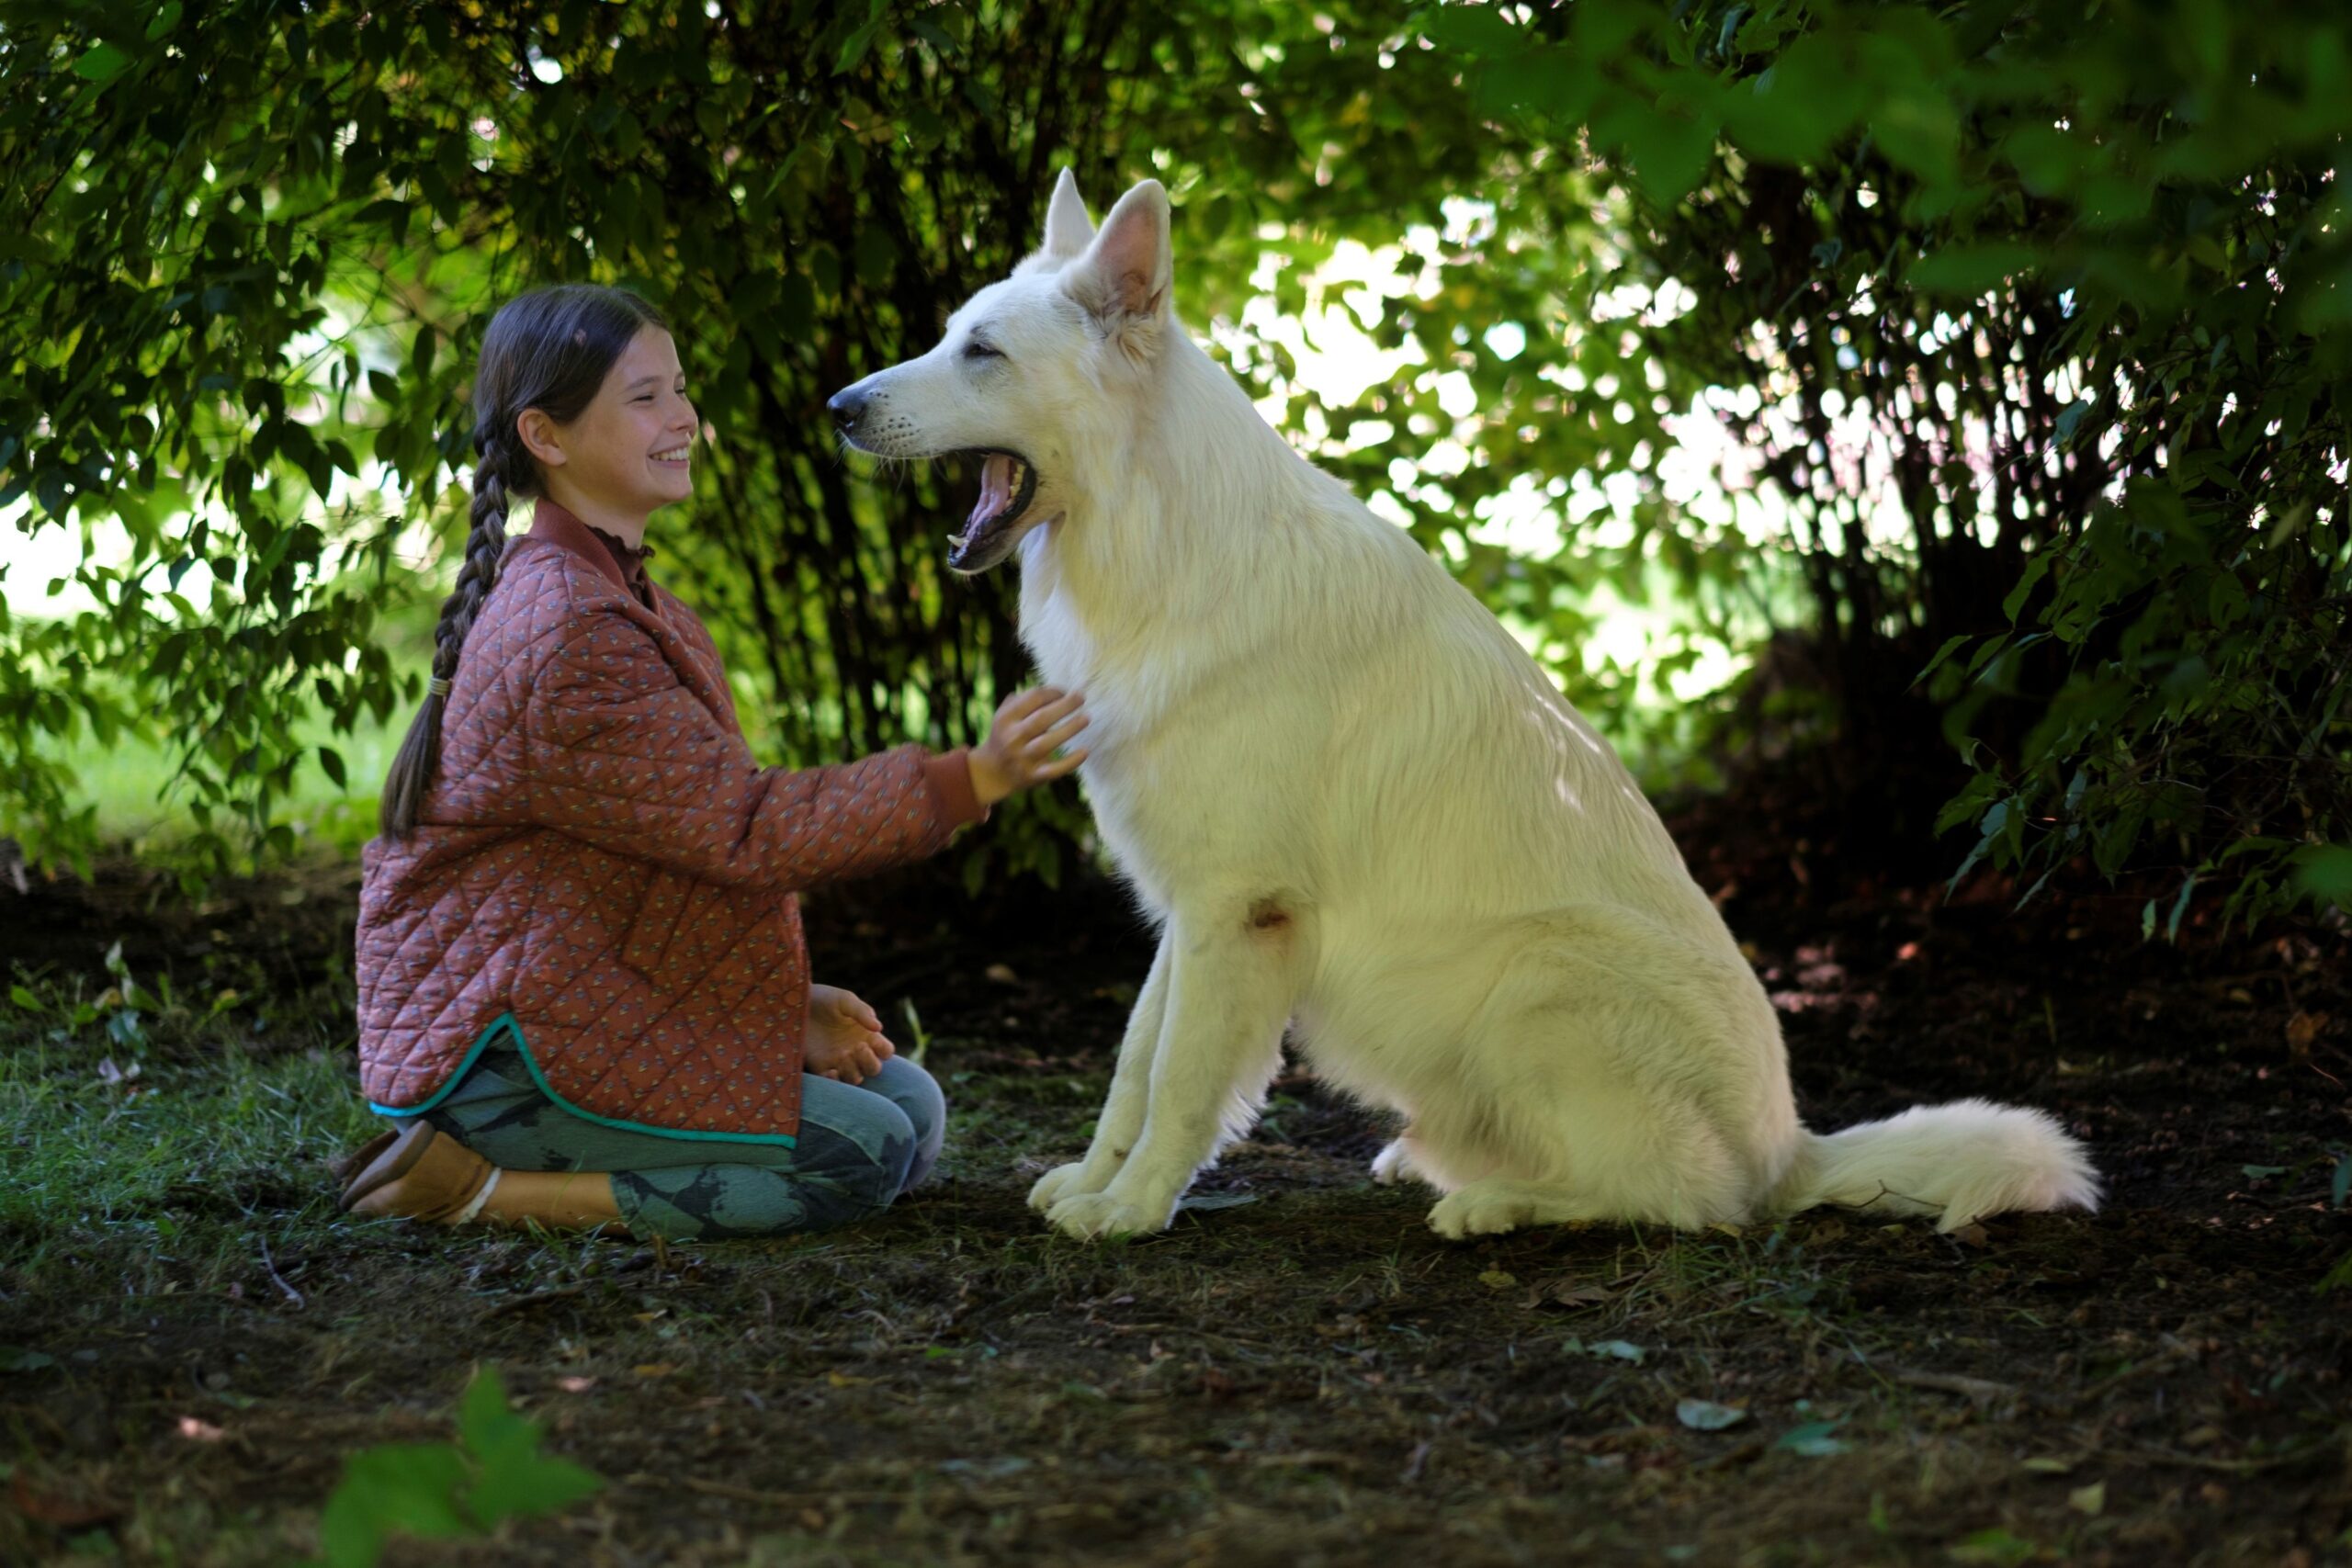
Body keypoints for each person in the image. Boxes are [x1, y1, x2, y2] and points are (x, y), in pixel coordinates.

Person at [334, 284, 1087, 1240]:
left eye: (680, 390)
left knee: (911, 1112)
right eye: (645, 397)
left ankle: (521, 1167)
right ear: (547, 437)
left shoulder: (619, 593)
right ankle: (478, 1190)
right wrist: (967, 779)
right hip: (500, 1058)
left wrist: (775, 1005)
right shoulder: (566, 630)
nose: (684, 417)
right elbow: (745, 828)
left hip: (573, 998)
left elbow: (665, 848)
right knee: (859, 1152)